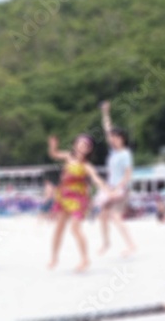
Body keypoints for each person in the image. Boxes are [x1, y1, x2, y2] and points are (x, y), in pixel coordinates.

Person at [48, 135, 109, 272]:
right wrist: (53, 145)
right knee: (59, 228)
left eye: (86, 146)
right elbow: (54, 154)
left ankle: (85, 259)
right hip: (63, 196)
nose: (82, 147)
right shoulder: (68, 157)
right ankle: (54, 257)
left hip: (78, 199)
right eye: (80, 144)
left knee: (75, 227)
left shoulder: (86, 165)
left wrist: (106, 189)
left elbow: (96, 179)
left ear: (89, 150)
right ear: (75, 145)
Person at [97, 101, 137, 257]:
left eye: (117, 137)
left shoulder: (125, 154)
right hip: (110, 187)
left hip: (121, 189)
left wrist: (118, 187)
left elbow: (128, 175)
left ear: (123, 139)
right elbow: (107, 129)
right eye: (113, 137)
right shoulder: (113, 152)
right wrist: (105, 112)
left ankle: (131, 245)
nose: (113, 139)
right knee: (103, 215)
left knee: (115, 216)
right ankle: (106, 243)